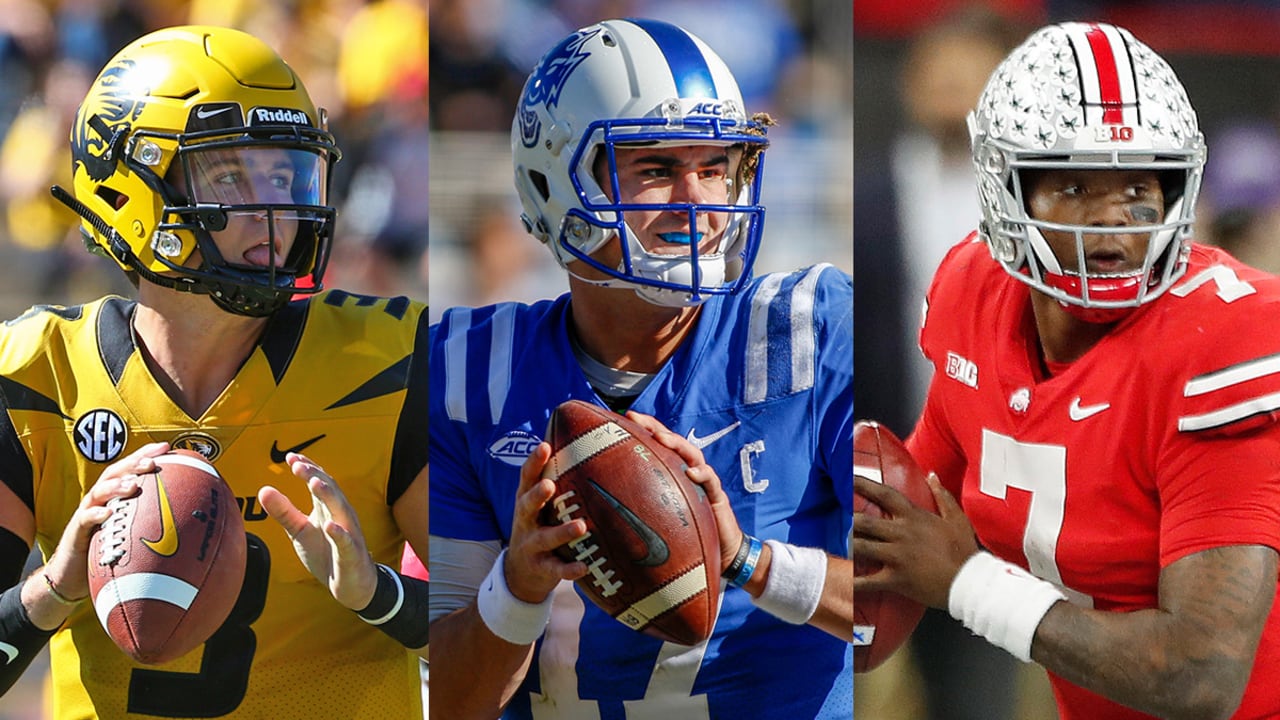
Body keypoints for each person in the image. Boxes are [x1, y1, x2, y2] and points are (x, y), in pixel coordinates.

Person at [428, 17, 852, 720]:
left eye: (715, 168)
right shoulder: (470, 371)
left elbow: (903, 597)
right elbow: (448, 701)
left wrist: (753, 561)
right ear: (553, 183)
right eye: (656, 169)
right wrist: (517, 590)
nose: (698, 202)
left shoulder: (810, 328)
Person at [854, 21, 1280, 720]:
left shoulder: (1224, 340)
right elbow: (918, 505)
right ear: (1005, 190)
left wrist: (966, 584)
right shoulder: (972, 289)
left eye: (1140, 187)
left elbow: (1200, 676)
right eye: (1076, 186)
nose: (1112, 222)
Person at [0, 26, 429, 718]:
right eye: (231, 174)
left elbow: (498, 638)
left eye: (286, 174)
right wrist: (51, 591)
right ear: (125, 192)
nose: (277, 210)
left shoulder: (388, 364)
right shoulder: (34, 373)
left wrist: (375, 593)